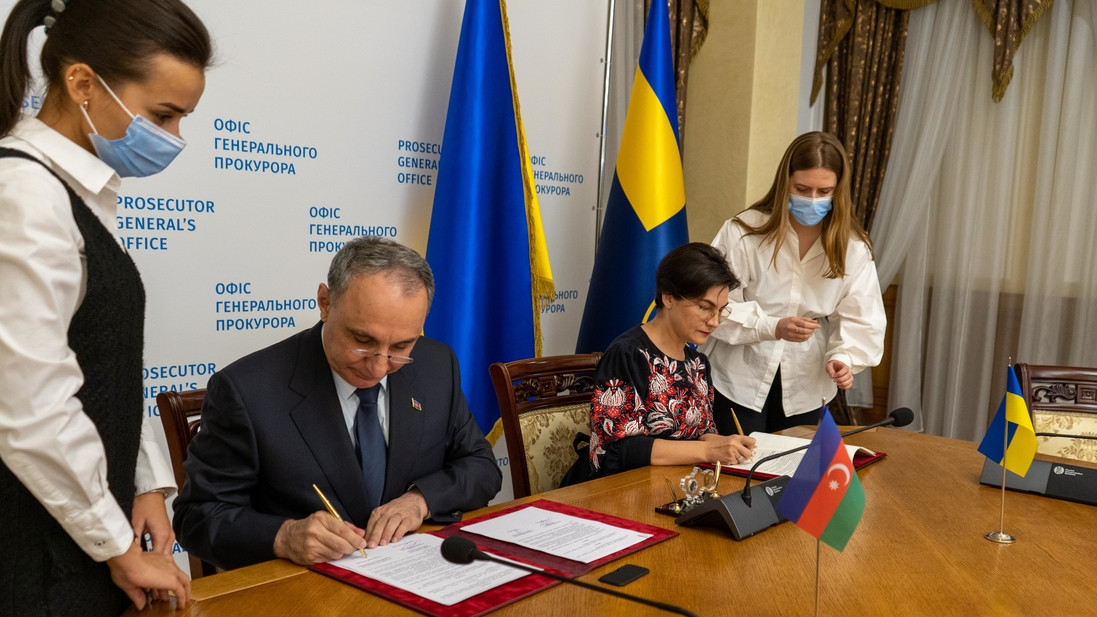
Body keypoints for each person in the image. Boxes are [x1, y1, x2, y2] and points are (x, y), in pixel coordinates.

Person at [0, 0, 211, 614]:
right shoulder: (23, 194)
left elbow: (105, 364)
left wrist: (144, 483)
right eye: (163, 115)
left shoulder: (79, 193)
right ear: (82, 83)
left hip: (82, 539)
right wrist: (116, 543)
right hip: (34, 553)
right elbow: (30, 404)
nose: (174, 139)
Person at [173, 236, 502, 570]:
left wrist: (421, 500)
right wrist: (284, 536)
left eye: (401, 347)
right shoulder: (247, 390)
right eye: (362, 341)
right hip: (304, 584)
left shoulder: (437, 364)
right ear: (325, 302)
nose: (378, 367)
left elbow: (481, 465)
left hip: (414, 573)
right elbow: (196, 517)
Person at [700, 131, 886, 436]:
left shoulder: (853, 247)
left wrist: (844, 357)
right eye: (802, 189)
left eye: (824, 191)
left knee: (795, 464)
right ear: (785, 181)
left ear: (839, 190)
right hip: (736, 379)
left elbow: (862, 316)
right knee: (735, 460)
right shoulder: (744, 232)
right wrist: (772, 327)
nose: (812, 200)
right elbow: (713, 307)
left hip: (806, 384)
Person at [576, 243, 757, 480]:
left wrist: (725, 443)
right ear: (669, 297)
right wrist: (707, 451)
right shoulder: (628, 354)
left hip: (679, 481)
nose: (714, 321)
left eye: (722, 311)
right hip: (621, 487)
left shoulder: (697, 363)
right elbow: (617, 449)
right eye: (705, 308)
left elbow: (701, 434)